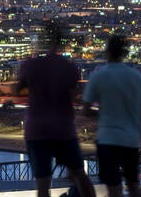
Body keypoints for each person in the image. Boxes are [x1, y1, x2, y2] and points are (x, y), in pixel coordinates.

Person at [15, 21, 95, 197]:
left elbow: (17, 89)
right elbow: (72, 97)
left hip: (37, 129)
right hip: (63, 128)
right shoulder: (70, 68)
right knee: (79, 175)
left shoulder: (30, 65)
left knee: (43, 184)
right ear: (60, 42)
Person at [83, 35, 141, 197]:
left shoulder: (98, 76)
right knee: (134, 185)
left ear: (107, 52)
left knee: (113, 187)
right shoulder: (136, 77)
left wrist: (103, 114)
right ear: (124, 53)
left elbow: (85, 109)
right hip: (131, 139)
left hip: (108, 139)